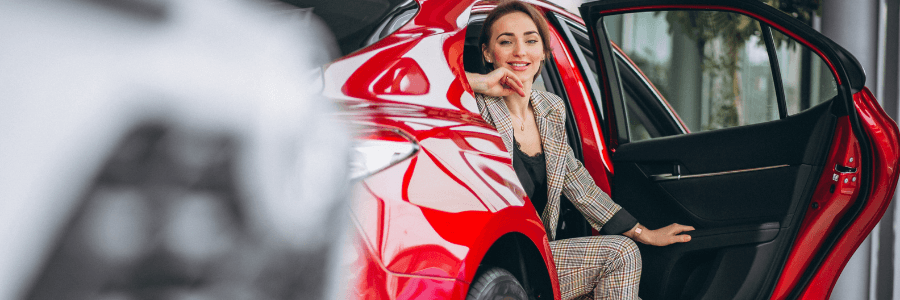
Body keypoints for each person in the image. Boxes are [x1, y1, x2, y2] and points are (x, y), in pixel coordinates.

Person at [464, 1, 695, 299]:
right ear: (487, 53)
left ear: (544, 52)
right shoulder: (471, 104)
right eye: (506, 42)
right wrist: (481, 83)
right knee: (619, 254)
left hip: (532, 256)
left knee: (621, 257)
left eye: (531, 41)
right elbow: (404, 86)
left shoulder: (551, 108)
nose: (520, 51)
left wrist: (643, 233)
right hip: (485, 257)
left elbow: (578, 184)